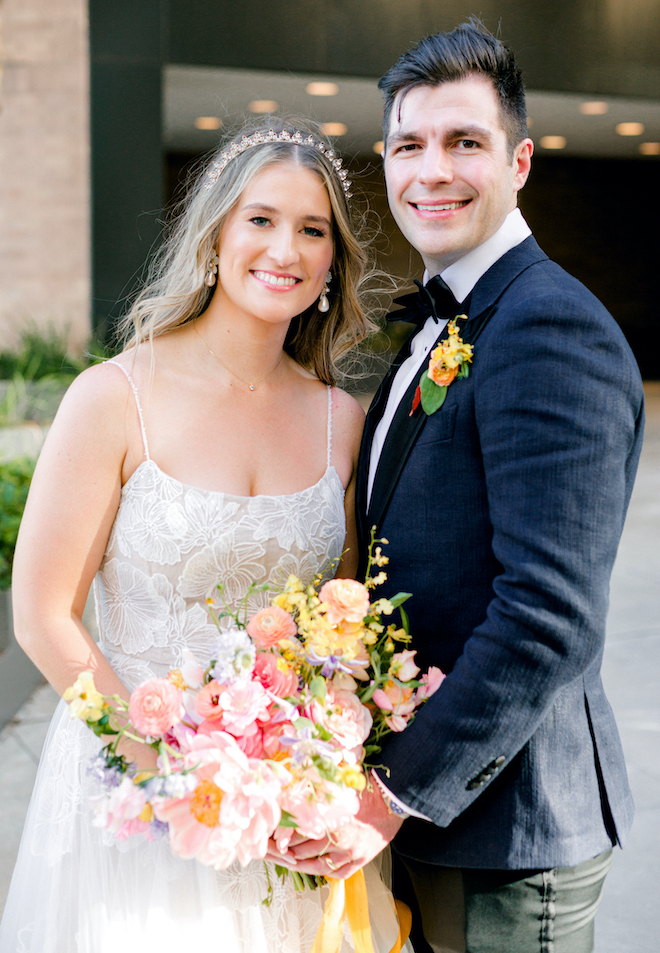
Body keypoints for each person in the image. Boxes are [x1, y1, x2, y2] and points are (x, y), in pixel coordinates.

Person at [0, 120, 408, 953]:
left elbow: (339, 631)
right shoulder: (114, 397)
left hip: (281, 815)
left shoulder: (341, 423)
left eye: (312, 229)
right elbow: (44, 616)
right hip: (134, 800)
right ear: (216, 232)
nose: (283, 248)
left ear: (332, 263)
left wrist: (323, 765)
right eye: (260, 219)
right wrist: (172, 777)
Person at [281, 21, 645, 953]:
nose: (430, 170)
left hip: (509, 833)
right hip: (441, 817)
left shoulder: (548, 325)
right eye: (410, 144)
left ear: (520, 160)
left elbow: (548, 614)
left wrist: (391, 793)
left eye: (465, 142)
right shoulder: (446, 321)